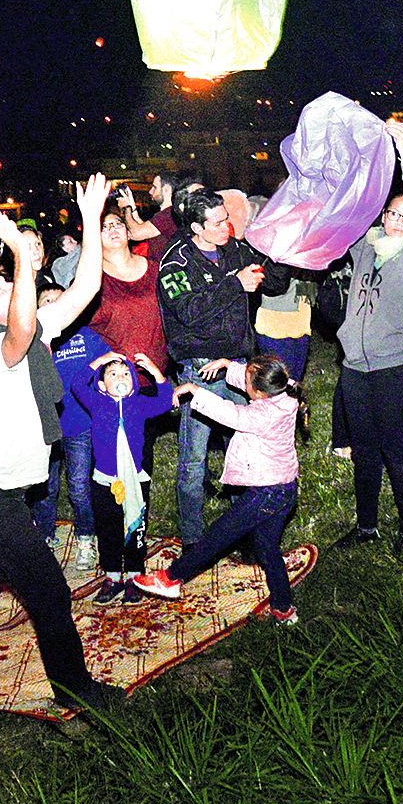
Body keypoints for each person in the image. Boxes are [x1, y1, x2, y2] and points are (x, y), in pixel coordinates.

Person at [0, 176, 115, 712]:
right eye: (3, 290)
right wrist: (19, 256)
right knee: (49, 591)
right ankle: (74, 688)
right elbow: (22, 324)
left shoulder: (27, 332)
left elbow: (83, 289)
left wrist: (90, 219)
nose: (14, 291)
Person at [132, 354, 304, 625]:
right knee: (268, 549)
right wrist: (227, 365)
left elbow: (231, 413)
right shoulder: (287, 394)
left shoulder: (261, 415)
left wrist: (195, 390)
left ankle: (170, 578)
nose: (242, 378)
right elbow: (261, 379)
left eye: (246, 378)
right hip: (285, 489)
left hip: (265, 495)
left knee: (216, 537)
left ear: (258, 393)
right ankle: (284, 609)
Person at [334, 123, 403, 549]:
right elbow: (351, 208)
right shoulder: (367, 246)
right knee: (364, 452)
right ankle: (366, 527)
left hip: (399, 368)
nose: (397, 220)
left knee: (397, 452)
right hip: (355, 369)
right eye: (391, 214)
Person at [159, 186, 271, 541]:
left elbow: (266, 278)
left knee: (245, 449)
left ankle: (246, 528)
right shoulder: (174, 263)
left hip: (237, 364)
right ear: (196, 227)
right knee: (194, 459)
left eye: (227, 218)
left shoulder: (233, 249)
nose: (228, 227)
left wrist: (273, 257)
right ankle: (193, 538)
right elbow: (189, 312)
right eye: (219, 222)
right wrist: (234, 285)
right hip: (201, 369)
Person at [66, 350, 175, 601]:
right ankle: (113, 575)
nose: (121, 376)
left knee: (135, 527)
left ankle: (134, 575)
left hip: (135, 480)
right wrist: (100, 361)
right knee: (108, 527)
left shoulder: (139, 404)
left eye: (126, 373)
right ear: (103, 385)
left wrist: (153, 369)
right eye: (113, 374)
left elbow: (166, 399)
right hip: (105, 480)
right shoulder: (97, 402)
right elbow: (77, 383)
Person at [42, 305, 111, 566]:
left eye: (60, 301)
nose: (53, 307)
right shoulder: (32, 340)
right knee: (44, 487)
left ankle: (85, 537)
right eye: (46, 301)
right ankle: (45, 535)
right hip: (45, 426)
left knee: (79, 486)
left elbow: (110, 364)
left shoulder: (87, 336)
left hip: (79, 424)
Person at [89, 206, 169, 369]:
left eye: (118, 223)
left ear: (128, 231)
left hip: (161, 373)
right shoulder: (91, 281)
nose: (112, 229)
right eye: (104, 227)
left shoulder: (155, 269)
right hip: (117, 377)